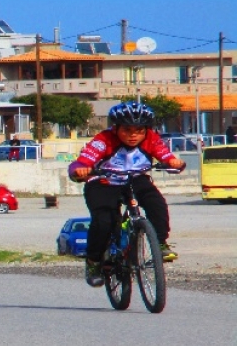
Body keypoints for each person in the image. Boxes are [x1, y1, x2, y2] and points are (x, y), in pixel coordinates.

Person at [69, 101, 186, 288]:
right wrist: (80, 170)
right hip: (104, 181)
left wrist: (173, 162)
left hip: (135, 179)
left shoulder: (151, 138)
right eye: (127, 130)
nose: (133, 135)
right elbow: (82, 161)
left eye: (139, 130)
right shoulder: (103, 140)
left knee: (156, 203)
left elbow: (165, 155)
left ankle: (161, 243)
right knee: (103, 220)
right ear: (116, 128)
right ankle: (94, 262)